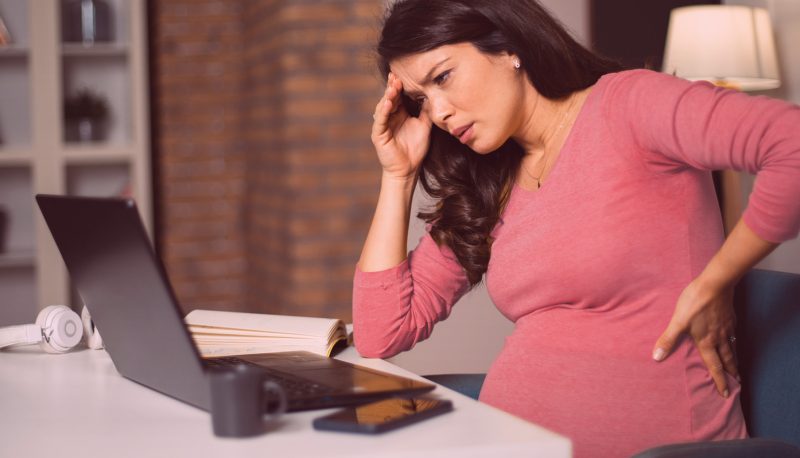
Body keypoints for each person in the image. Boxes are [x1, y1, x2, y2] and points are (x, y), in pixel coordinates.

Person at [352, 0, 800, 456]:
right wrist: (399, 175)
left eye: (443, 77)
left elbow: (792, 145)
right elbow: (382, 332)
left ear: (508, 45)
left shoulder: (630, 104)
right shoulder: (491, 182)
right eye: (421, 101)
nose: (440, 112)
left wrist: (714, 280)